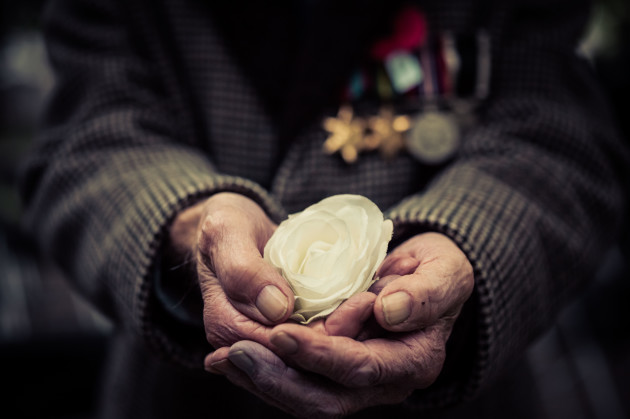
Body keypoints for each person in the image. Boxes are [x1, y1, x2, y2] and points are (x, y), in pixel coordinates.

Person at [19, 0, 628, 417]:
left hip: (470, 399)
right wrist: (188, 229)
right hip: (182, 397)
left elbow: (556, 134)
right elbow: (88, 133)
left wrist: (467, 249)